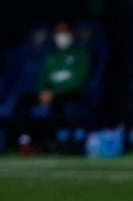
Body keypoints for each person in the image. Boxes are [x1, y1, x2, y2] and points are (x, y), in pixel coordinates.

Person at [15, 20, 90, 152]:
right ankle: (25, 141)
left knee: (57, 101)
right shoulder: (50, 56)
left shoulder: (81, 54)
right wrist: (43, 92)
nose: (62, 35)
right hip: (50, 94)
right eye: (59, 32)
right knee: (23, 99)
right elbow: (42, 80)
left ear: (72, 34)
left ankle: (50, 141)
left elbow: (79, 81)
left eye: (65, 31)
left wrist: (53, 93)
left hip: (71, 94)